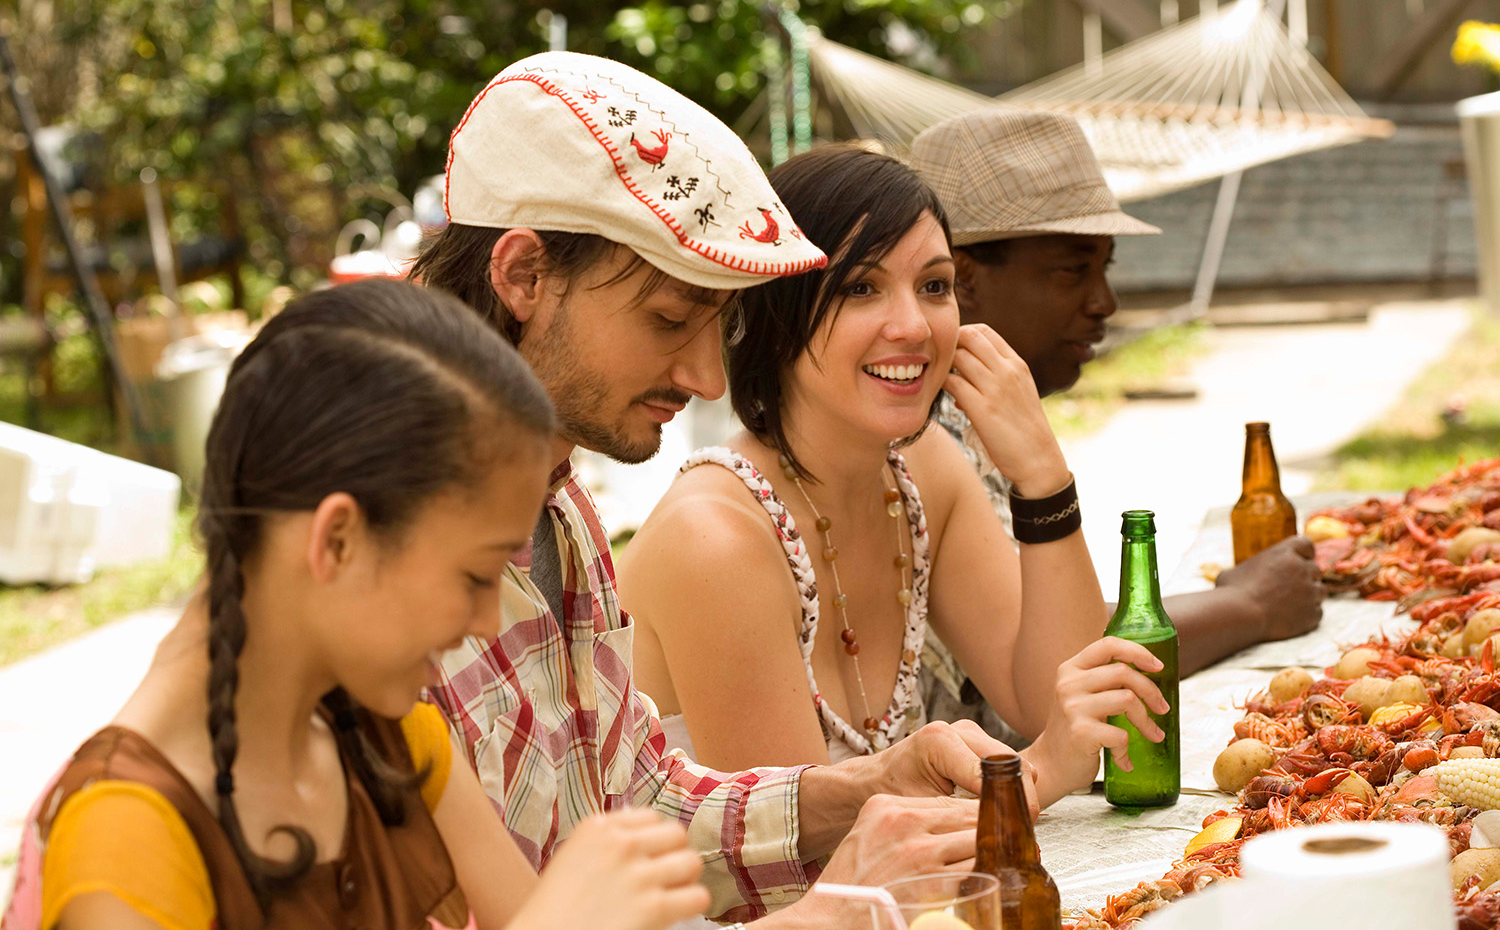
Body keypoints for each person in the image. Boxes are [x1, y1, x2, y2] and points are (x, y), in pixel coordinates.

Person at [411, 51, 1029, 929]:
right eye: (668, 319)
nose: (708, 377)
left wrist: (865, 788)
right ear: (523, 277)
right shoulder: (388, 557)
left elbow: (638, 800)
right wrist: (828, 912)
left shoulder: (563, 509)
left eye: (718, 326)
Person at [30, 280, 713, 930]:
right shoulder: (125, 839)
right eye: (475, 575)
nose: (483, 622)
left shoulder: (392, 738)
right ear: (338, 540)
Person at [617, 145, 1166, 804]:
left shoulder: (920, 467)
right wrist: (1037, 775)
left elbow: (1059, 704)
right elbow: (800, 862)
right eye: (861, 289)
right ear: (776, 309)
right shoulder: (713, 540)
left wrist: (1044, 480)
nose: (912, 326)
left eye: (933, 287)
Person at [906, 108, 1325, 731]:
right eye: (1073, 270)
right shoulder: (927, 435)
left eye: (1106, 268)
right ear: (962, 279)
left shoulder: (970, 414)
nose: (1105, 301)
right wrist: (1249, 606)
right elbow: (1057, 671)